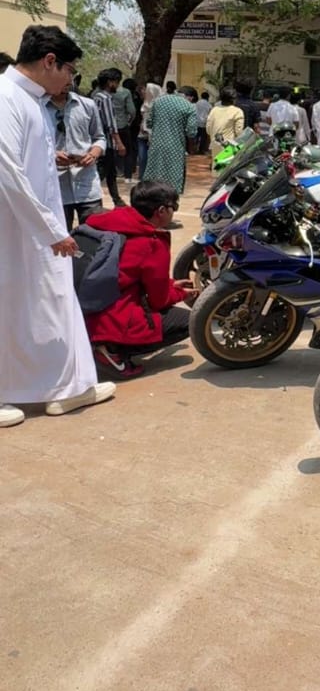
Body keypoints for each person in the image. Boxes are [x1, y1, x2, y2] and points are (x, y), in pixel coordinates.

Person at [0, 25, 116, 425]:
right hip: (18, 225)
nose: (70, 79)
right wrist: (52, 232)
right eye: (69, 70)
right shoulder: (6, 98)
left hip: (32, 223)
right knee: (17, 304)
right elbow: (8, 173)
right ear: (50, 61)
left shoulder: (29, 101)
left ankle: (62, 387)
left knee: (42, 304)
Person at [84, 180, 197, 377]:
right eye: (174, 207)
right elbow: (158, 299)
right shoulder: (151, 242)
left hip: (83, 309)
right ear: (161, 211)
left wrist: (170, 285)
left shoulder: (107, 221)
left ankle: (98, 344)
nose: (174, 212)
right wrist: (179, 293)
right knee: (191, 321)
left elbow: (127, 273)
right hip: (111, 319)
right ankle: (111, 351)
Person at [44, 83, 106, 228]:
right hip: (56, 189)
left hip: (87, 185)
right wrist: (51, 156)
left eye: (69, 74)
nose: (66, 80)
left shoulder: (87, 105)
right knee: (59, 240)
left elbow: (100, 137)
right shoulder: (37, 107)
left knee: (94, 237)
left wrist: (94, 153)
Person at [144, 83, 198, 192]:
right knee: (173, 179)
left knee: (154, 174)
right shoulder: (189, 106)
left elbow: (149, 123)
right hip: (176, 148)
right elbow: (191, 132)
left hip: (156, 146)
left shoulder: (158, 101)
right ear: (190, 97)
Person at [92, 68, 128, 206]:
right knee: (102, 172)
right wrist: (119, 143)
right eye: (117, 82)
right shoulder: (105, 98)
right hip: (105, 142)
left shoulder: (95, 96)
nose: (117, 86)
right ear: (110, 82)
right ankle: (93, 199)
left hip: (99, 140)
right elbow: (110, 124)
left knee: (111, 172)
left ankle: (117, 199)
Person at [112, 76, 137, 181]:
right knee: (127, 150)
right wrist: (129, 121)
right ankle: (128, 176)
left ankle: (114, 173)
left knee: (110, 150)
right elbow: (132, 111)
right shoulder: (126, 92)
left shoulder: (100, 92)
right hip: (122, 125)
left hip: (107, 126)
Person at [136, 81, 161, 179]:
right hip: (142, 135)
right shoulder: (145, 104)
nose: (143, 92)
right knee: (142, 158)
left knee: (152, 159)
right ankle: (142, 177)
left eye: (145, 90)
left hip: (154, 136)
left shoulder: (159, 106)